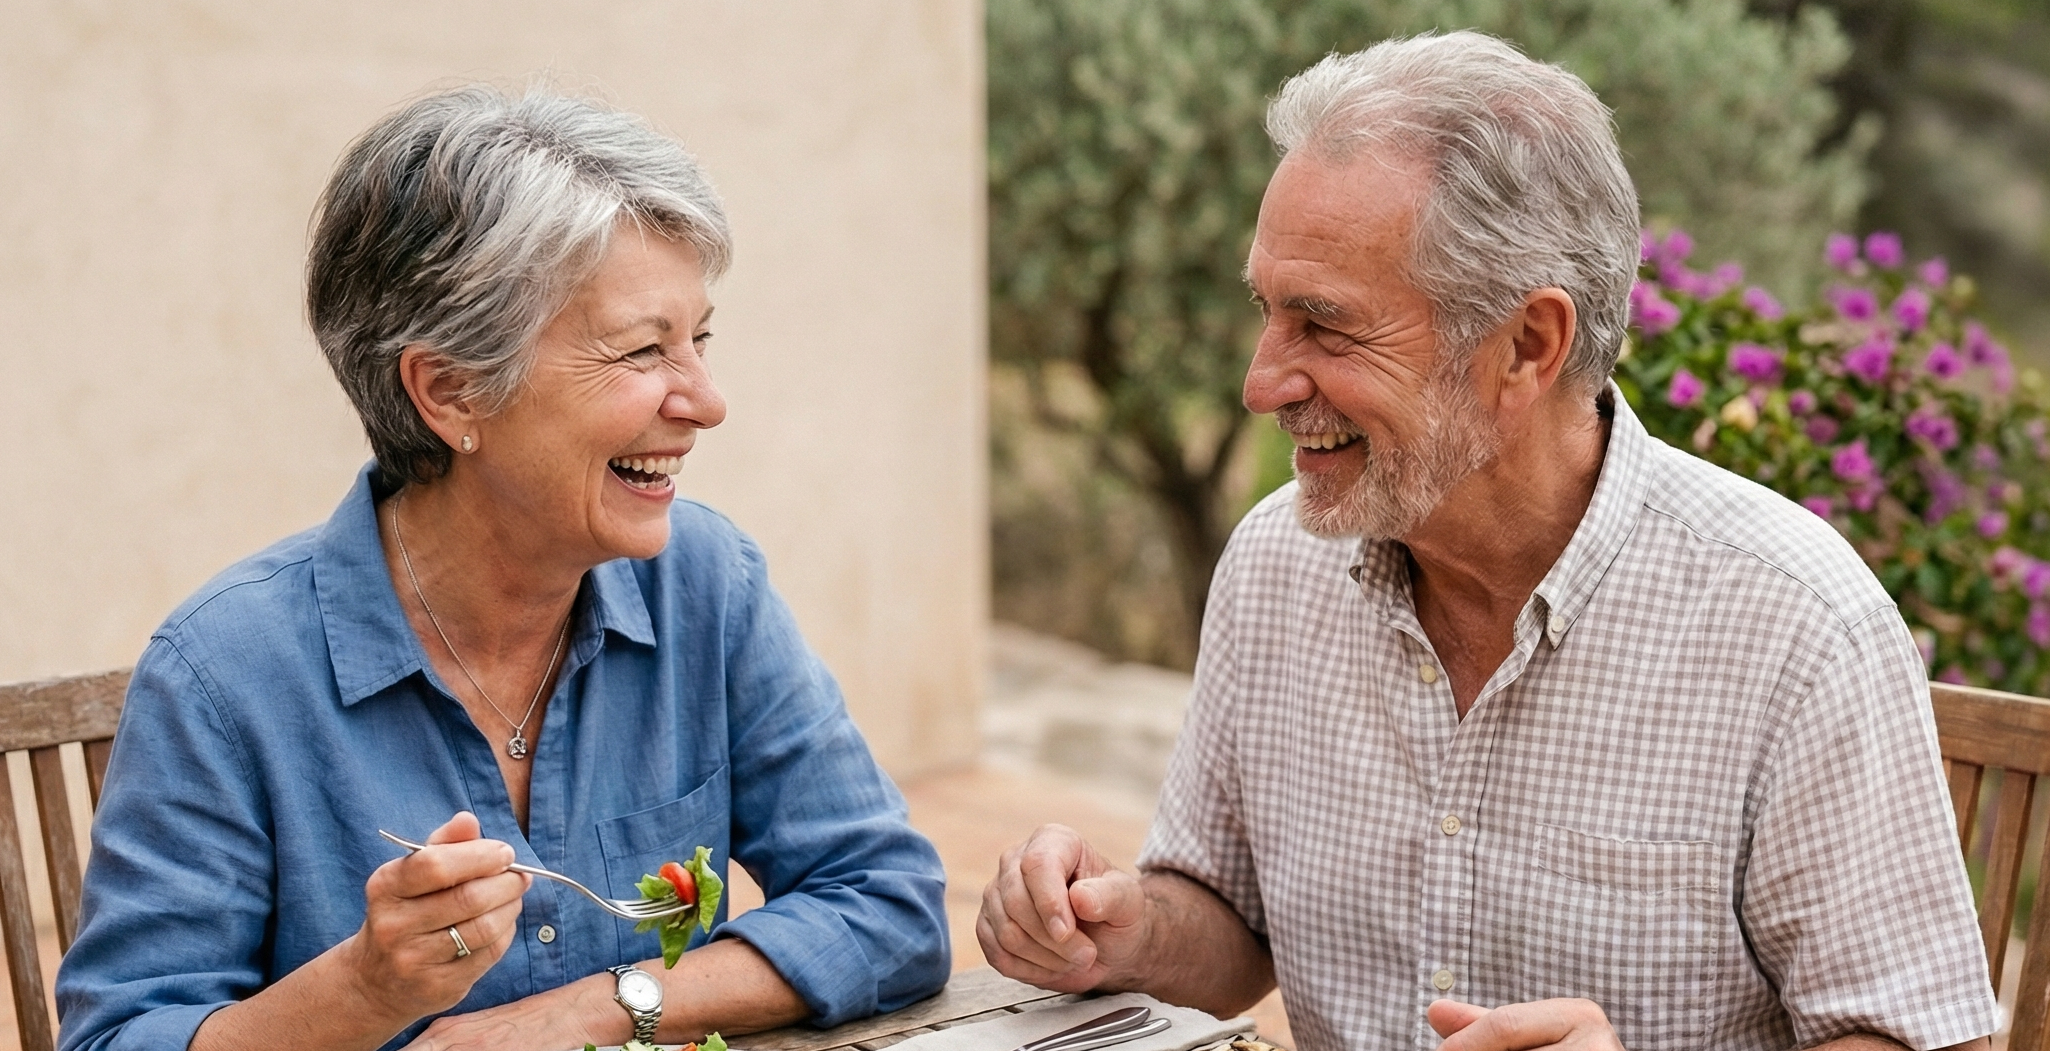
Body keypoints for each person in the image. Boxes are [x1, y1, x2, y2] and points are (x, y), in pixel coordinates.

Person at [976, 31, 1997, 1051]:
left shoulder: (1796, 624)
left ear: (1527, 346)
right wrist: (1119, 929)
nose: (1260, 383)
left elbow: (1915, 1037)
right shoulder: (1276, 563)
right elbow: (1234, 921)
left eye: (1324, 326)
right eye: (1266, 312)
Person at [55, 85, 949, 1051]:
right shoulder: (223, 674)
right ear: (450, 392)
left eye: (700, 339)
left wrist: (592, 1010)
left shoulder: (708, 584)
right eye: (644, 349)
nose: (706, 399)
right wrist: (364, 988)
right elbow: (120, 1036)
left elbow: (889, 904)